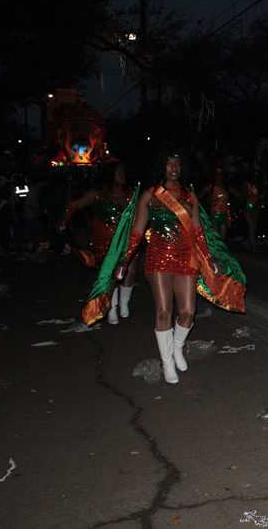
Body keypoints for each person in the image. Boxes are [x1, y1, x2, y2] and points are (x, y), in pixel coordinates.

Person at [83, 153, 246, 384]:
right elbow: (137, 232)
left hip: (186, 257)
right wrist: (124, 261)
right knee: (163, 311)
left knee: (188, 313)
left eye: (178, 163)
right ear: (162, 167)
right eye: (169, 163)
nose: (174, 167)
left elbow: (199, 231)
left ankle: (177, 347)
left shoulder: (190, 197)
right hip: (158, 256)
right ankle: (167, 362)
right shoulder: (150, 195)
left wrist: (210, 259)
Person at [60, 162, 139, 324]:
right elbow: (76, 204)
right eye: (118, 172)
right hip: (105, 238)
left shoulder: (131, 193)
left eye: (123, 172)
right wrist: (64, 218)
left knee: (130, 271)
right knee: (111, 273)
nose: (122, 175)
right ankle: (111, 307)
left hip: (127, 238)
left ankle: (124, 303)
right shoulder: (98, 192)